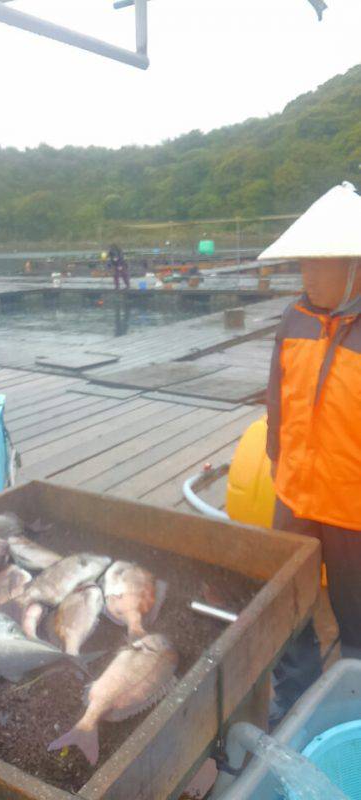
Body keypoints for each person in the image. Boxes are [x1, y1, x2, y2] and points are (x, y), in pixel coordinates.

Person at [259, 181, 361, 725]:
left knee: (357, 618)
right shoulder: (293, 319)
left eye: (319, 264)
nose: (308, 276)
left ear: (354, 265)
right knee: (288, 607)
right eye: (303, 263)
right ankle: (292, 701)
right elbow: (276, 401)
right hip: (296, 497)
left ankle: (353, 713)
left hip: (355, 509)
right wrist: (279, 464)